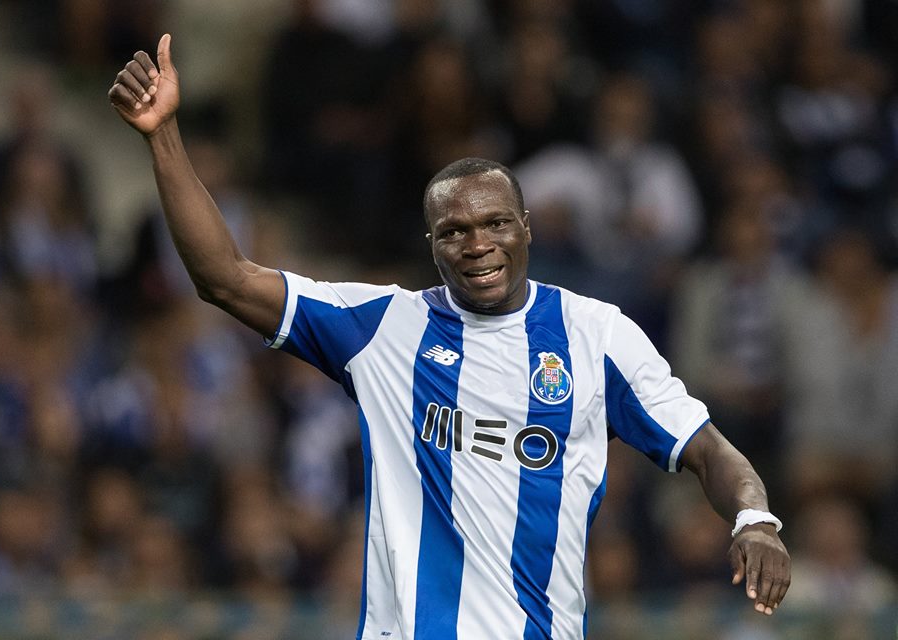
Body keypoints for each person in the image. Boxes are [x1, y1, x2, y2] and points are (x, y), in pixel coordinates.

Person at [108, 34, 790, 639]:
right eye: (454, 231)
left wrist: (754, 520)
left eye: (495, 224)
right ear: (431, 245)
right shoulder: (384, 327)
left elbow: (706, 448)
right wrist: (162, 135)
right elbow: (225, 279)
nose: (477, 244)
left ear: (526, 226)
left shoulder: (596, 335)